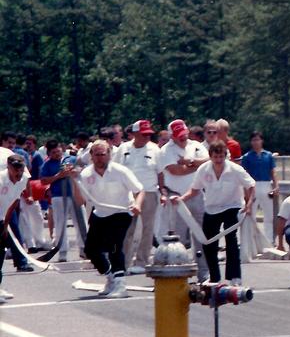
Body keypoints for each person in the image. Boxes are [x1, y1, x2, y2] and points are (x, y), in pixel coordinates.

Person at [175, 140, 255, 285]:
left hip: (233, 206)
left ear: (225, 156)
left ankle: (234, 277)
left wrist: (249, 205)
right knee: (208, 243)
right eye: (215, 157)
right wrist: (181, 199)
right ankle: (214, 277)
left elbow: (251, 185)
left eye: (221, 157)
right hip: (212, 208)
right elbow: (194, 190)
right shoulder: (203, 169)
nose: (218, 160)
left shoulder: (235, 169)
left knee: (231, 240)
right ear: (210, 156)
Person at [71, 140, 144, 298]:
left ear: (109, 154)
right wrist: (75, 181)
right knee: (90, 249)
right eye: (96, 155)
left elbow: (139, 190)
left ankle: (121, 284)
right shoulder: (86, 174)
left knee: (114, 246)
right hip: (101, 213)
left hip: (122, 211)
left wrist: (138, 204)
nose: (100, 158)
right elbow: (79, 201)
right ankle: (110, 277)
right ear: (91, 156)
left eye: (103, 154)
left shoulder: (120, 171)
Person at [159, 119, 210, 282]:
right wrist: (195, 164)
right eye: (179, 136)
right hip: (176, 197)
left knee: (201, 235)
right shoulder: (166, 150)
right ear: (172, 136)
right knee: (177, 238)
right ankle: (179, 273)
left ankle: (204, 272)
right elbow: (175, 171)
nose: (183, 138)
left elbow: (208, 161)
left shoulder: (196, 145)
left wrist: (189, 162)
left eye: (184, 135)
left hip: (197, 195)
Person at [114, 119, 160, 274]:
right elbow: (115, 169)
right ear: (133, 134)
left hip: (149, 191)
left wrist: (163, 190)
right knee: (127, 228)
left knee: (148, 227)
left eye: (149, 134)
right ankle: (124, 262)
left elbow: (160, 172)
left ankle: (142, 261)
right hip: (127, 193)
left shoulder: (155, 149)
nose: (147, 137)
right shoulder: (123, 148)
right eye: (143, 134)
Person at [40, 140, 86, 262]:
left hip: (75, 194)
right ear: (49, 153)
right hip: (58, 197)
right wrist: (58, 176)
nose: (56, 154)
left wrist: (77, 171)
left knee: (81, 222)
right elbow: (43, 181)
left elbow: (84, 169)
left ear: (62, 149)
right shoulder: (47, 164)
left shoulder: (72, 159)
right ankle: (62, 251)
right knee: (60, 224)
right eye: (53, 152)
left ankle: (84, 248)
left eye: (58, 151)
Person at [0, 154, 32, 302]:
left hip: (2, 218)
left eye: (21, 169)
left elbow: (13, 202)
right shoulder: (1, 179)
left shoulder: (24, 179)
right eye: (15, 169)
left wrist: (6, 225)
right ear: (8, 167)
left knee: (0, 255)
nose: (18, 173)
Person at [241, 131, 278, 249]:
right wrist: (246, 191)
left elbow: (273, 172)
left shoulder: (268, 155)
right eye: (254, 140)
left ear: (262, 141)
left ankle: (269, 240)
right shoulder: (247, 157)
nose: (256, 142)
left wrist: (276, 185)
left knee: (269, 215)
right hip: (253, 185)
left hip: (266, 184)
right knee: (251, 215)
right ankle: (253, 241)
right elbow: (245, 174)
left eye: (258, 139)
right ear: (251, 142)